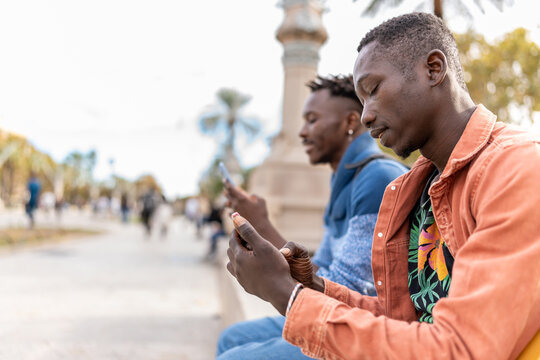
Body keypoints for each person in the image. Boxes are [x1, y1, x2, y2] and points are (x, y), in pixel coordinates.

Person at [225, 12, 540, 360]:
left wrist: (286, 294)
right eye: (361, 102)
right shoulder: (414, 188)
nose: (365, 116)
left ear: (434, 69)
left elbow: (461, 348)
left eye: (373, 91)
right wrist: (309, 283)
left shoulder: (517, 170)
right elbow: (404, 318)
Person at [217, 75, 408, 359]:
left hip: (364, 328)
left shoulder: (376, 177)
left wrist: (272, 275)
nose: (302, 132)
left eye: (312, 120)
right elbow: (322, 271)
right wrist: (259, 222)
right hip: (338, 310)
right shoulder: (346, 178)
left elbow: (346, 289)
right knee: (232, 338)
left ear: (349, 122)